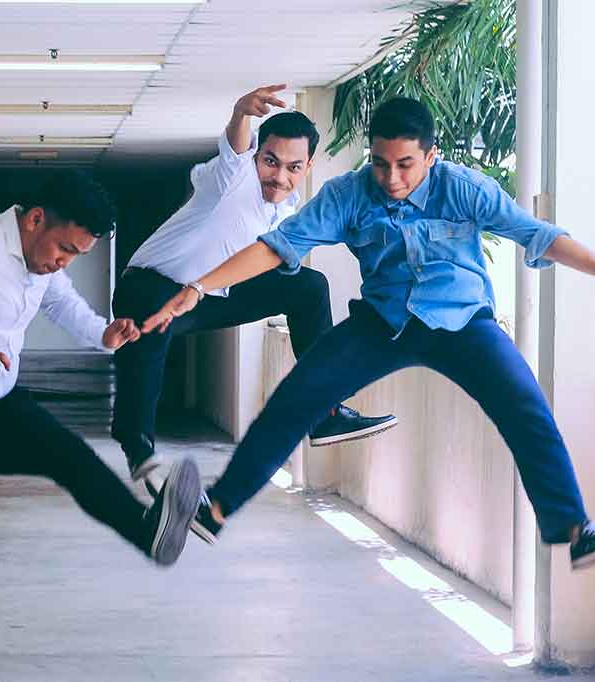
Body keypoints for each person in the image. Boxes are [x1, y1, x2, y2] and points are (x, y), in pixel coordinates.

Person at [144, 97, 595, 569]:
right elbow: (280, 243)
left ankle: (574, 529)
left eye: (405, 164)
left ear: (430, 155)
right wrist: (200, 285)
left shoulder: (465, 188)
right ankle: (215, 509)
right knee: (297, 398)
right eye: (380, 162)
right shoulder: (348, 194)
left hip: (463, 324)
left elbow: (538, 236)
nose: (390, 177)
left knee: (526, 407)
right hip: (383, 323)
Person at [0, 171, 202, 682]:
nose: (64, 262)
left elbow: (62, 301)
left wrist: (103, 333)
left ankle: (150, 534)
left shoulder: (42, 259)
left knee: (72, 458)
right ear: (34, 220)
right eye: (65, 249)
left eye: (76, 255)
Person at [112, 85, 396, 486]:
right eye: (270, 162)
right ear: (256, 156)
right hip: (148, 287)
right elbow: (234, 151)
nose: (279, 176)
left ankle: (325, 413)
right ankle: (137, 443)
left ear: (308, 166)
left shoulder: (286, 212)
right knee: (154, 323)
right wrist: (240, 114)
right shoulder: (233, 177)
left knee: (309, 287)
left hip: (207, 297)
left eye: (293, 168)